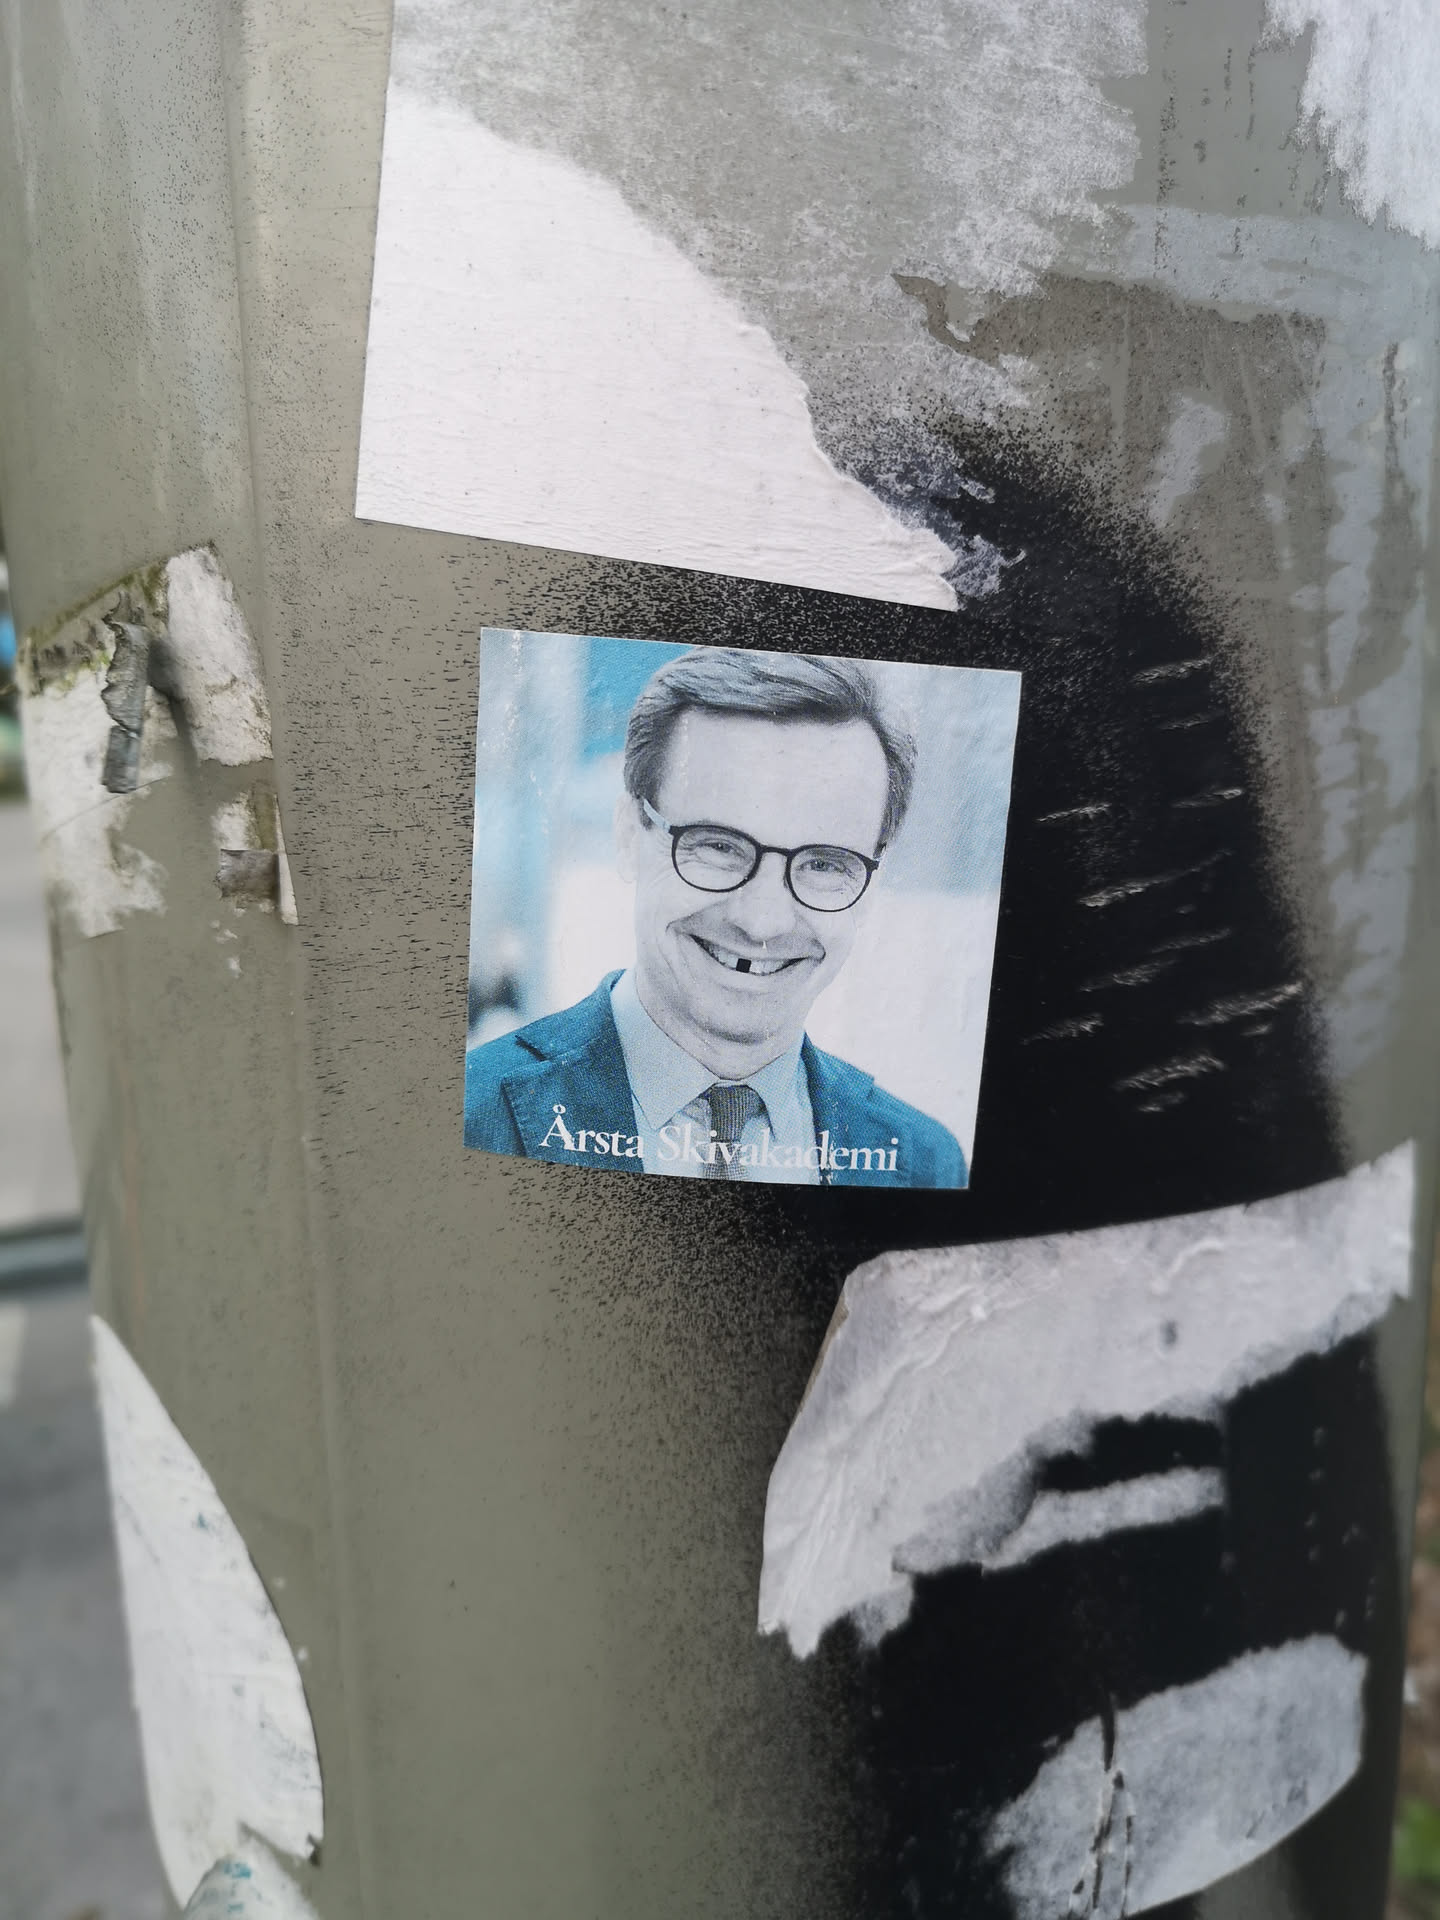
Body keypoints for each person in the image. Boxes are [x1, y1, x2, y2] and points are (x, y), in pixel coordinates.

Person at [464, 647, 966, 1188]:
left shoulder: (926, 1166)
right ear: (630, 833)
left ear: (872, 884)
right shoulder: (469, 1111)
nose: (763, 922)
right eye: (720, 846)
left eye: (824, 863)